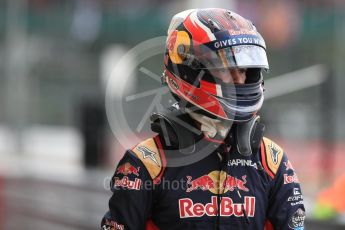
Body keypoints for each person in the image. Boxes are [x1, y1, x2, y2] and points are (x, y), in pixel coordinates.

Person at [101, 8, 305, 229]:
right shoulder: (146, 164)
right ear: (190, 70)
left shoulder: (271, 161)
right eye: (226, 68)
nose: (239, 79)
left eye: (245, 69)